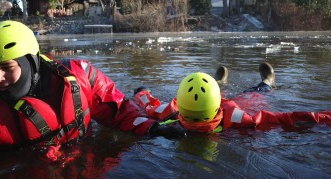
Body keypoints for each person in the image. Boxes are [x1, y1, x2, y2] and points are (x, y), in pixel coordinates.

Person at [0, 20, 184, 178]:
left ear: (30, 61)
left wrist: (152, 128)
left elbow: (118, 110)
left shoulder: (82, 76)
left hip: (82, 177)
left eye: (6, 67)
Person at [134, 62, 331, 133]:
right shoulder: (235, 117)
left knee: (243, 95)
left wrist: (141, 92)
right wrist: (326, 117)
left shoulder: (170, 113)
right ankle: (267, 82)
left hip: (209, 107)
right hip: (230, 108)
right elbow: (287, 118)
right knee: (252, 95)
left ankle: (218, 83)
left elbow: (149, 105)